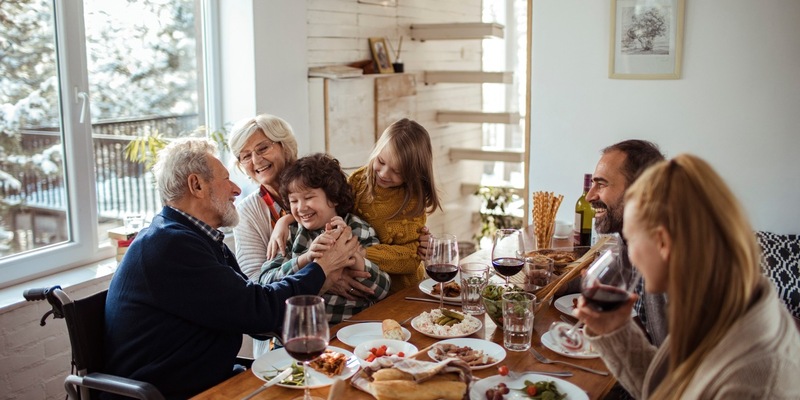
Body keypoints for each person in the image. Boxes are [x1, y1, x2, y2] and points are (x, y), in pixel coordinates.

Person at [103, 138, 359, 399]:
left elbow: (253, 306)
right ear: (197, 185)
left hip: (214, 379)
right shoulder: (170, 245)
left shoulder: (194, 238)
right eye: (226, 179)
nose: (237, 189)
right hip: (180, 392)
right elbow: (257, 310)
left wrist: (322, 276)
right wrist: (322, 268)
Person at [577, 154, 800, 399]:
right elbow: (668, 388)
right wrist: (616, 330)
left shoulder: (753, 383)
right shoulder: (715, 303)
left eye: (631, 239)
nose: (629, 256)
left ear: (662, 241)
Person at [260, 153, 391, 325]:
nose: (300, 208)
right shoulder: (289, 234)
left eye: (308, 197)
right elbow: (265, 284)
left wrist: (353, 257)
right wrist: (305, 260)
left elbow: (383, 290)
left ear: (333, 197)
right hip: (304, 331)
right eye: (293, 201)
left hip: (354, 329)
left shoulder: (359, 229)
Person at [585, 139, 669, 346]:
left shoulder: (669, 254)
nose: (589, 196)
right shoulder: (632, 237)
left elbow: (670, 363)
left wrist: (619, 329)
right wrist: (550, 280)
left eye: (601, 184)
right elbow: (608, 279)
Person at [348, 118, 442, 294]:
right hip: (364, 286)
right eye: (381, 162)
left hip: (401, 291)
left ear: (413, 173)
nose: (384, 174)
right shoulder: (357, 181)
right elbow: (330, 208)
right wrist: (288, 219)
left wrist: (363, 253)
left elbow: (411, 257)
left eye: (397, 171)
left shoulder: (412, 199)